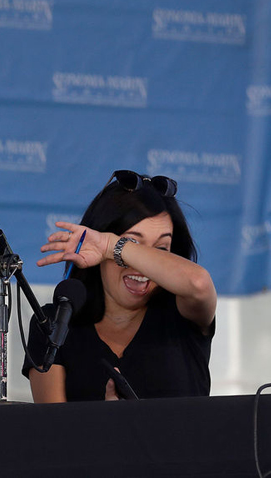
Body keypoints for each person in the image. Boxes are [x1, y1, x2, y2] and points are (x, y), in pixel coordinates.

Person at [22, 170, 217, 402]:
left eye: (161, 249)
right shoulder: (54, 324)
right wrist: (111, 423)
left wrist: (111, 245)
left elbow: (198, 282)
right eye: (131, 242)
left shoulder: (183, 313)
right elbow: (52, 432)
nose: (142, 267)